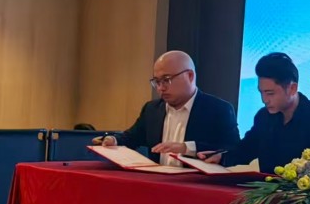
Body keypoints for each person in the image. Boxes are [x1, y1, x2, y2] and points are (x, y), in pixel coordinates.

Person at [96, 51, 239, 165]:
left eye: (166, 80)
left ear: (190, 76)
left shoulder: (218, 109)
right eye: (156, 82)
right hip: (159, 185)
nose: (160, 88)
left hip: (198, 187)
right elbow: (132, 137)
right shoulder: (152, 109)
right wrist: (114, 140)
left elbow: (232, 150)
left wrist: (187, 148)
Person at [207, 53, 310, 173]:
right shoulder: (263, 117)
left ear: (292, 88)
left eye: (270, 93)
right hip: (266, 192)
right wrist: (220, 157)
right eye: (261, 92)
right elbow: (245, 150)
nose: (264, 100)